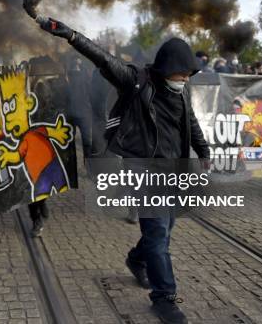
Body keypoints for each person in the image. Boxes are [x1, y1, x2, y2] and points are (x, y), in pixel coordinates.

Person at [39, 18, 209, 324]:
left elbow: (191, 122)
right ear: (166, 66)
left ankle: (135, 259)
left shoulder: (182, 90)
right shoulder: (137, 80)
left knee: (165, 231)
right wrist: (70, 34)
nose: (185, 77)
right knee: (158, 235)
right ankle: (164, 298)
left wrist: (204, 151)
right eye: (181, 72)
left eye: (189, 73)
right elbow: (103, 58)